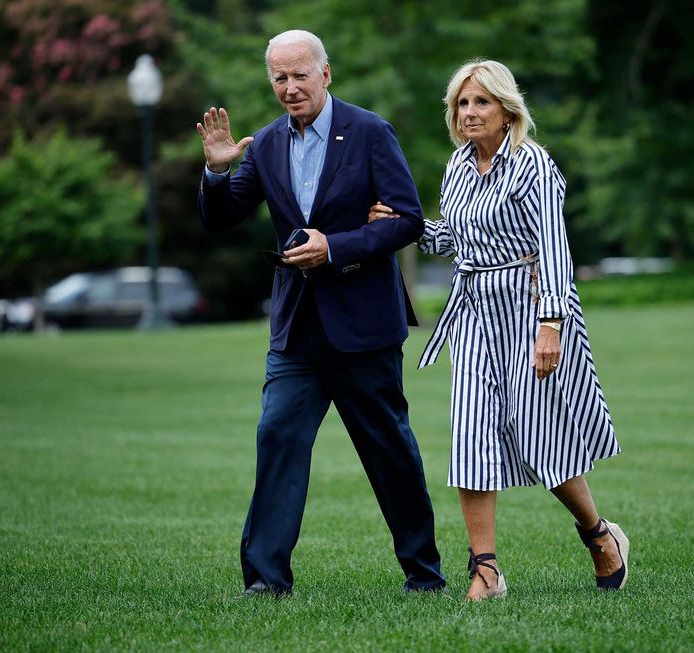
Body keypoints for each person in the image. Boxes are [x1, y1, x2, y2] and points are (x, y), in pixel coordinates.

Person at [196, 29, 445, 596]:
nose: (290, 87)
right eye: (279, 78)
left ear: (325, 74)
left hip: (363, 325)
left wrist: (334, 247)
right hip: (296, 330)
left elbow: (407, 220)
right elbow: (222, 218)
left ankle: (424, 573)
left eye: (300, 75)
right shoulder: (265, 145)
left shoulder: (370, 131)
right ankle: (266, 581)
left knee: (389, 450)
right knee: (277, 437)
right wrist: (216, 172)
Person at [370, 59, 628, 601]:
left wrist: (551, 324)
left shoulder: (533, 164)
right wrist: (403, 226)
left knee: (540, 439)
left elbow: (554, 249)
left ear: (507, 110)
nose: (469, 112)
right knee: (470, 437)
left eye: (481, 102)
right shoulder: (458, 166)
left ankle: (599, 534)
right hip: (472, 314)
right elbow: (455, 240)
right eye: (462, 103)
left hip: (530, 309)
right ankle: (485, 570)